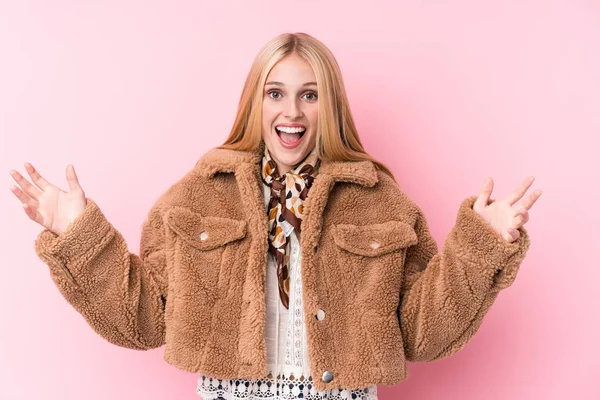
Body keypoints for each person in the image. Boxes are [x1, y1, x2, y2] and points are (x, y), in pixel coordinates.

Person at [8, 32, 541, 400]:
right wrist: (77, 233)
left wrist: (479, 247)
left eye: (310, 95)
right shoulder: (197, 195)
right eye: (276, 93)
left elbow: (422, 334)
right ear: (255, 103)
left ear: (328, 106)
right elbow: (144, 320)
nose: (292, 112)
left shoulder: (380, 200)